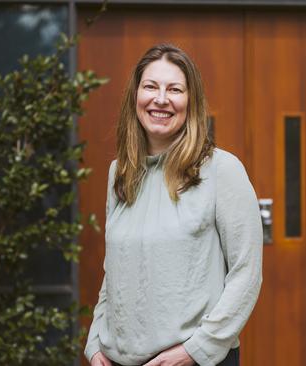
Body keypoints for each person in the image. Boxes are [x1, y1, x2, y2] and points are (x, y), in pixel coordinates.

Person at [84, 44, 263, 366]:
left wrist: (196, 350)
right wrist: (95, 341)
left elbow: (246, 274)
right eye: (151, 86)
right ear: (135, 96)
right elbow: (115, 272)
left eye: (175, 89)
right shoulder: (120, 173)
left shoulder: (222, 170)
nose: (161, 99)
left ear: (190, 102)